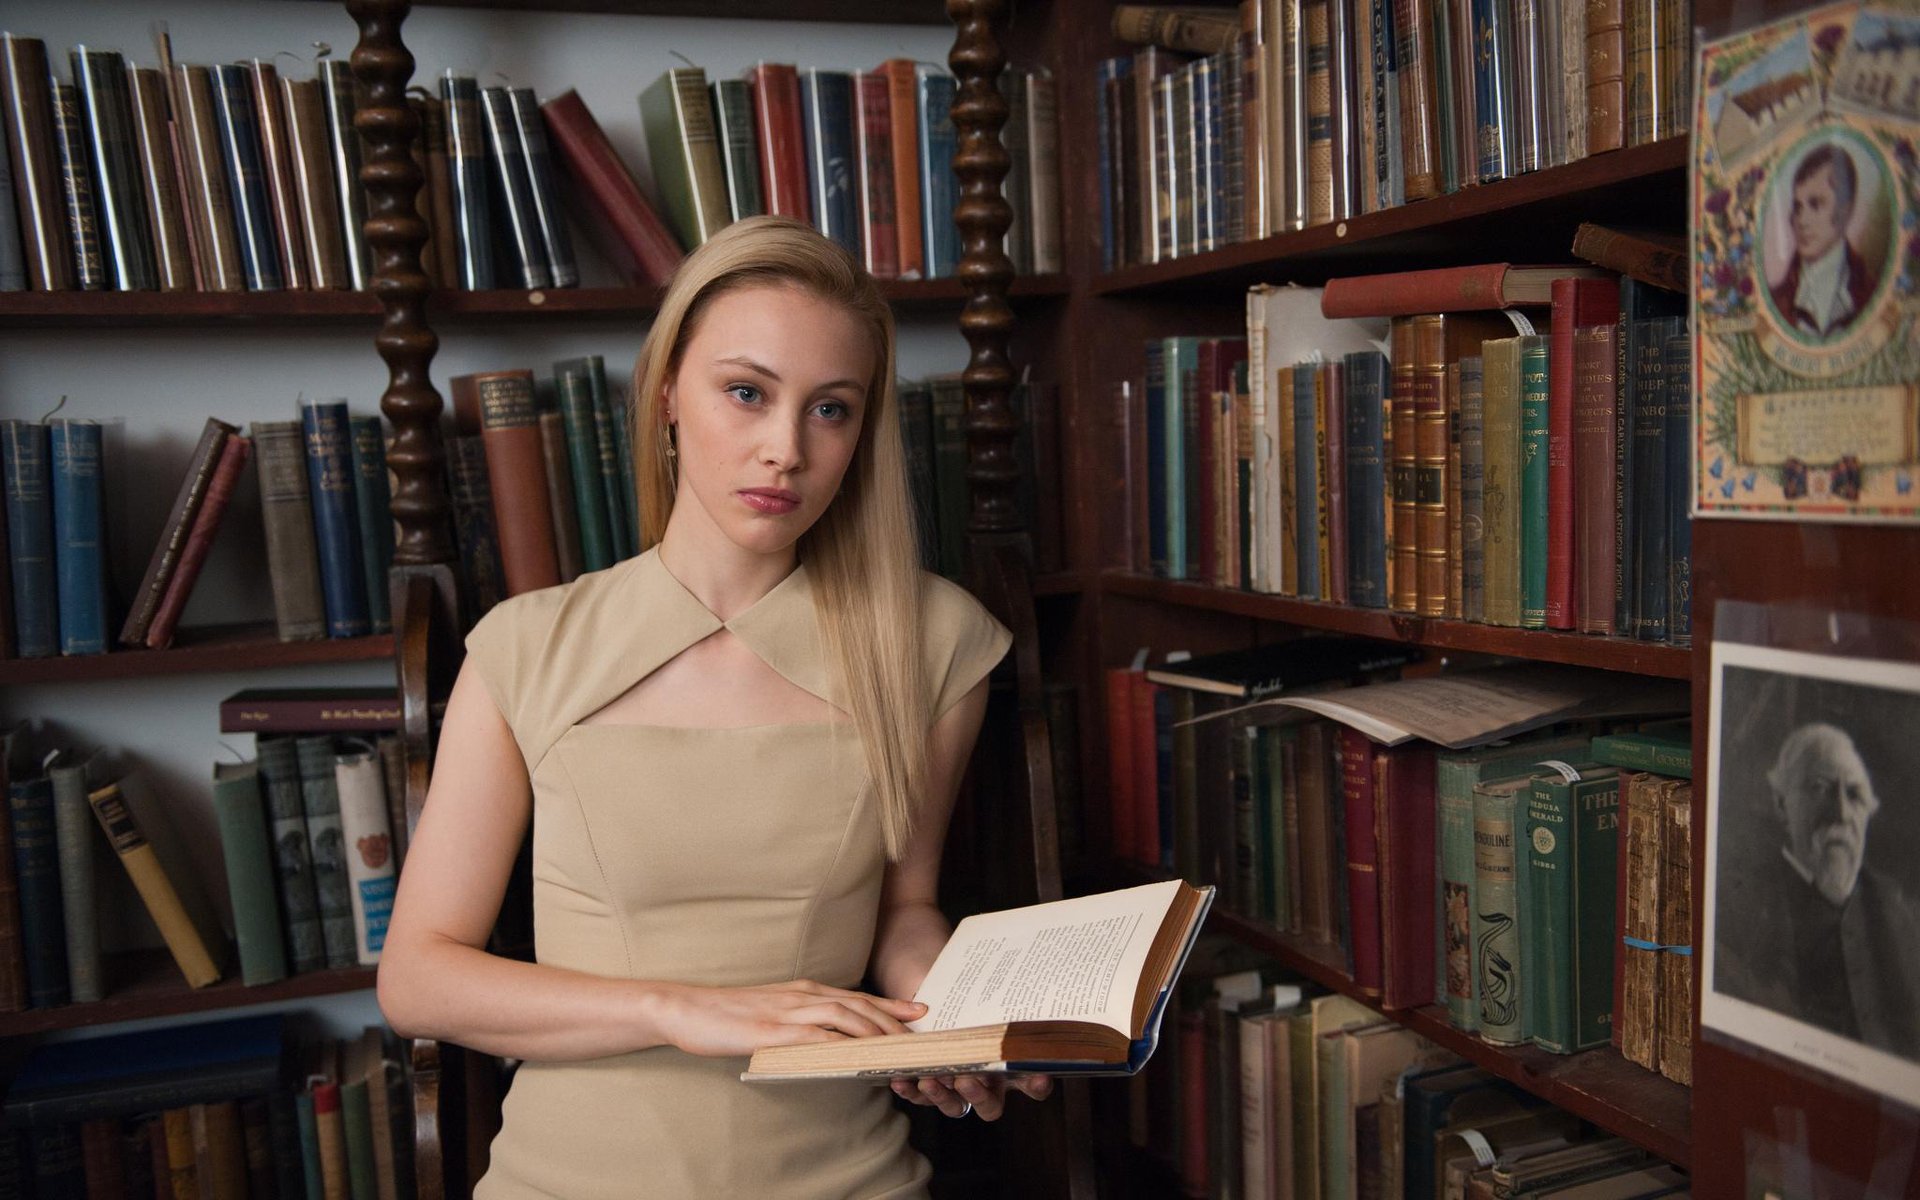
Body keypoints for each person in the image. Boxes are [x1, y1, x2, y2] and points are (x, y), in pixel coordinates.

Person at [377, 216, 1051, 1198]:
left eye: (831, 410)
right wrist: (679, 1010)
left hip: (845, 1176)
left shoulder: (932, 642)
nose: (784, 449)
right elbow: (419, 979)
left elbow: (903, 917)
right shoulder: (528, 648)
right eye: (746, 392)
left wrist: (955, 1019)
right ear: (666, 400)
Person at [1714, 722, 1920, 1060]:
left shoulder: (1898, 909)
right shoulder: (1741, 902)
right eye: (1820, 788)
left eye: (1854, 795)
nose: (1840, 813)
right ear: (1781, 805)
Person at [1767, 142, 1883, 338]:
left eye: (1815, 204)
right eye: (1798, 207)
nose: (1801, 220)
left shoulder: (1871, 294)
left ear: (1845, 211)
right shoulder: (1778, 301)